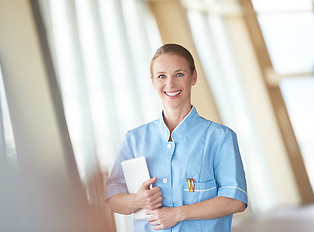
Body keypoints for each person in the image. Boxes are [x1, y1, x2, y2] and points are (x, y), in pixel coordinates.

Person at [105, 43, 247, 231]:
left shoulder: (219, 137)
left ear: (193, 77)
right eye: (162, 76)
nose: (170, 84)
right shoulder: (134, 139)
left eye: (179, 74)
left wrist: (178, 213)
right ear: (153, 81)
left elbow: (235, 200)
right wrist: (137, 200)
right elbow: (111, 199)